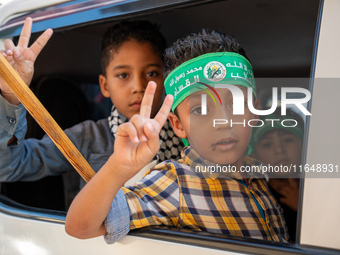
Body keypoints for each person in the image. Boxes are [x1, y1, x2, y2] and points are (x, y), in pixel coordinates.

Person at [65, 29, 289, 243]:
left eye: (237, 105)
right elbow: (80, 226)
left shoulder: (257, 172)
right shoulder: (175, 183)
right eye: (200, 110)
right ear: (178, 125)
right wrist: (118, 167)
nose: (223, 122)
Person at [0, 18, 183, 201]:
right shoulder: (87, 137)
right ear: (104, 86)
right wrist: (12, 94)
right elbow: (8, 167)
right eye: (123, 75)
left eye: (151, 73)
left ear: (165, 78)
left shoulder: (184, 131)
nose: (138, 86)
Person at [249, 108, 304, 242]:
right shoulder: (256, 200)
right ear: (254, 155)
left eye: (288, 140)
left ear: (304, 145)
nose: (279, 150)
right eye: (267, 144)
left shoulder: (323, 190)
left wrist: (301, 206)